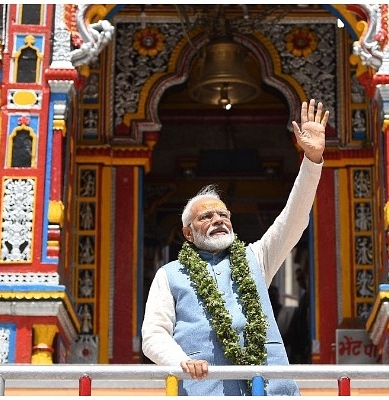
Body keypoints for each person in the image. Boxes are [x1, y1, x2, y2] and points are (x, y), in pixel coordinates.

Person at [141, 99, 329, 396]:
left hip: (267, 390)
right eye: (207, 216)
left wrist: (312, 161)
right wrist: (182, 362)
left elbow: (293, 220)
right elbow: (153, 335)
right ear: (187, 233)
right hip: (203, 391)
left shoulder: (255, 257)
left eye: (224, 215)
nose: (218, 220)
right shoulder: (169, 275)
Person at [284, 265, 311, 364]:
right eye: (298, 280)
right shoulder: (304, 297)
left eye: (301, 278)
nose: (300, 282)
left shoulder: (310, 297)